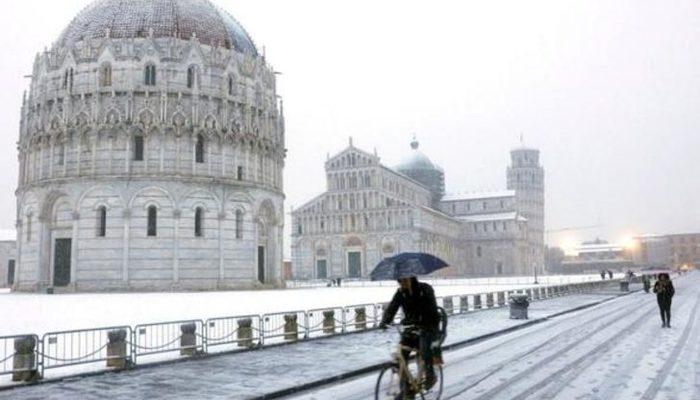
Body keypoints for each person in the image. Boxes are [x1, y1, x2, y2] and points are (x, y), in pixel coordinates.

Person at [380, 276, 440, 399]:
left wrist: (422, 321)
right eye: (400, 281)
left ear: (412, 279)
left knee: (424, 349)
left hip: (428, 327)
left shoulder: (425, 289)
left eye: (404, 281)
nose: (402, 284)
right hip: (411, 329)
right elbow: (392, 307)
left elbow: (432, 310)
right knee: (401, 356)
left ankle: (430, 375)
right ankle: (407, 389)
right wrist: (385, 321)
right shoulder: (401, 293)